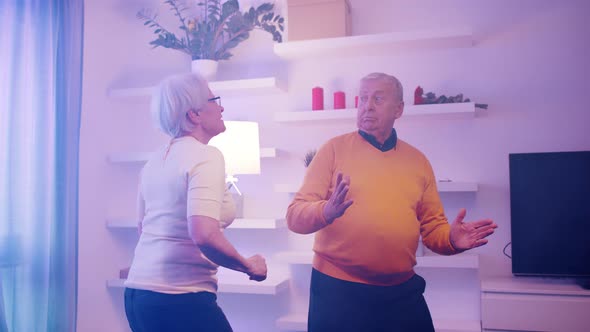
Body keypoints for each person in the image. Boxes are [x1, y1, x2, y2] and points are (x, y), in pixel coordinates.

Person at [286, 72, 498, 332]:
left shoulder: (418, 161)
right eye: (362, 98)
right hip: (338, 291)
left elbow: (433, 230)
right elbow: (295, 216)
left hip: (401, 291)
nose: (367, 106)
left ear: (398, 109)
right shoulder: (332, 150)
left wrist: (452, 240)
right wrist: (325, 211)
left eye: (377, 98)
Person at [124, 73, 267, 332]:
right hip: (178, 298)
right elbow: (203, 234)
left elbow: (143, 228)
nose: (221, 107)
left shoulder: (154, 161)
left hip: (139, 296)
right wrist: (248, 266)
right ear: (194, 115)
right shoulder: (206, 156)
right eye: (214, 100)